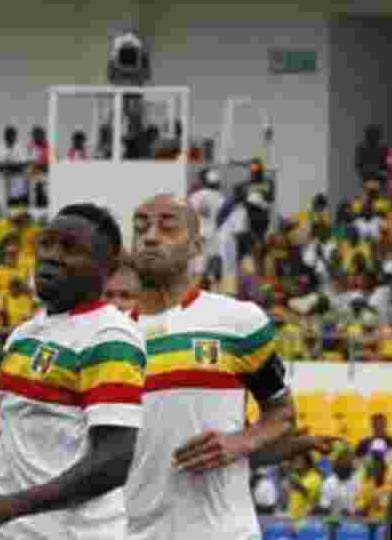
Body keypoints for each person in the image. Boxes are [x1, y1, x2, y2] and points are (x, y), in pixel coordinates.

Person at [0, 203, 145, 539]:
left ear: (108, 267)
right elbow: (18, 467)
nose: (51, 256)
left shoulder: (110, 336)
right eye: (47, 243)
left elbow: (114, 460)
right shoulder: (23, 336)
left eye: (70, 248)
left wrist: (3, 508)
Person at [124, 194, 316, 539]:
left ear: (196, 245)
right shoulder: (110, 339)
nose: (150, 236)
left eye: (167, 226)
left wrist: (243, 440)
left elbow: (283, 414)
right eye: (141, 228)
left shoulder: (238, 321)